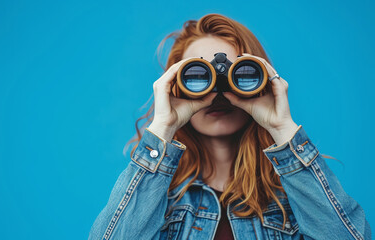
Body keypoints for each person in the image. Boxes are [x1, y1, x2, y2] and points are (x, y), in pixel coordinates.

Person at [88, 13, 371, 240]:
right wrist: (163, 127)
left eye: (239, 74)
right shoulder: (155, 201)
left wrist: (282, 127)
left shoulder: (298, 197)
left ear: (263, 80)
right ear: (175, 87)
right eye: (200, 76)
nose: (219, 92)